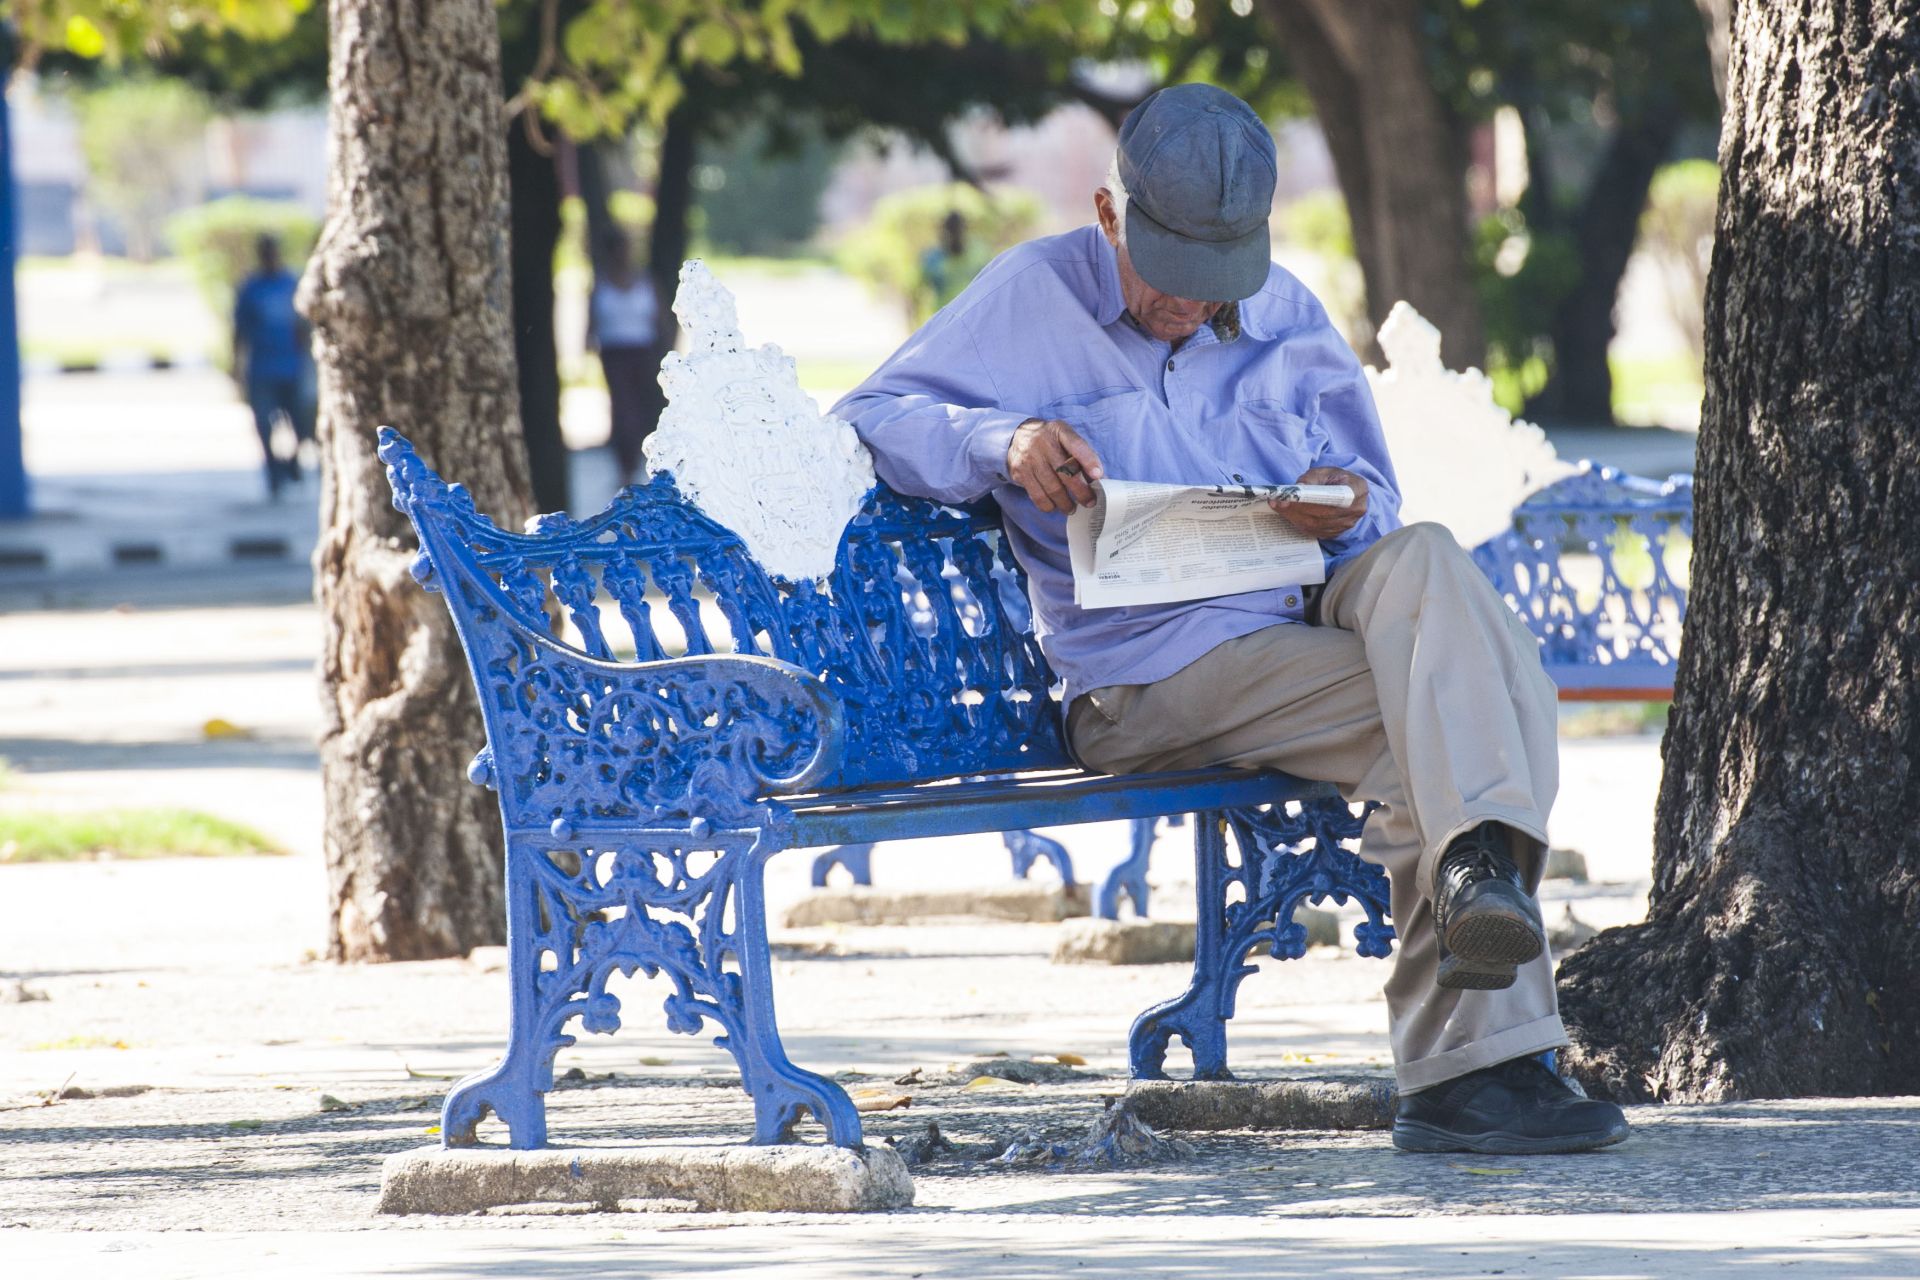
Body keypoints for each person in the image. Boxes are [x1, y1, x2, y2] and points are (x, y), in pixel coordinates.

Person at [833, 84, 1630, 1156]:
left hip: (1297, 604)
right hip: (1148, 672)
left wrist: (1337, 498)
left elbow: (1371, 507)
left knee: (1426, 560)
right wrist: (1006, 441)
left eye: (1218, 281)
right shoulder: (1031, 296)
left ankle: (1476, 947)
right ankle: (1479, 1062)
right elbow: (871, 416)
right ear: (1112, 216)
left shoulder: (1289, 314)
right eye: (1171, 276)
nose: (1190, 304)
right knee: (1472, 702)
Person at [232, 235, 316, 499]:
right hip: (262, 369)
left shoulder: (292, 284)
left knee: (302, 426)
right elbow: (240, 330)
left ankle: (291, 462)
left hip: (292, 367)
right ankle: (273, 475)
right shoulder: (251, 288)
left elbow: (304, 325)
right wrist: (237, 365)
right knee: (265, 427)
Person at [589, 231, 663, 486]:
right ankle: (626, 464)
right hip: (614, 352)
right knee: (623, 408)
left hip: (642, 351)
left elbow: (660, 318)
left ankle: (647, 460)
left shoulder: (646, 282)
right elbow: (591, 320)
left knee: (641, 406)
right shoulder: (600, 283)